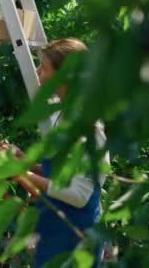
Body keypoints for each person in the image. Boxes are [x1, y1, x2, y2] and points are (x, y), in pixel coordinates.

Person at [23, 38, 111, 267]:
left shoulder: (87, 128)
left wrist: (27, 177)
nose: (37, 72)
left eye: (44, 67)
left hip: (75, 235)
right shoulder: (61, 115)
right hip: (55, 230)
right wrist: (26, 164)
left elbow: (79, 195)